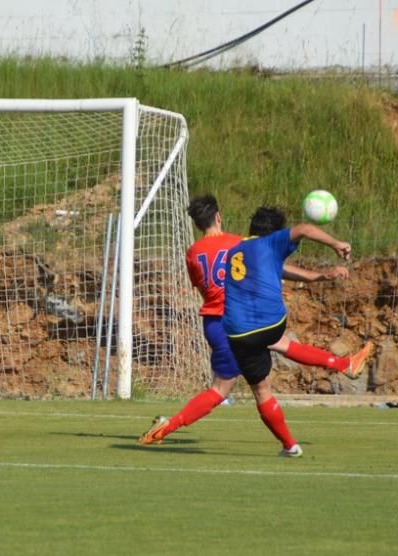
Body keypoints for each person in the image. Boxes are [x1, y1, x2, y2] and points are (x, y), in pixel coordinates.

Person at [139, 195, 371, 449]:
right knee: (223, 389)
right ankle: (167, 427)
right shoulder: (237, 243)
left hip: (216, 323)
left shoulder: (193, 253)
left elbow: (205, 285)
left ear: (197, 224)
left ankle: (344, 365)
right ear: (219, 217)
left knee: (281, 344)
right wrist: (319, 276)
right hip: (236, 319)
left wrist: (319, 276)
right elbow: (274, 266)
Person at [221, 206, 368, 456]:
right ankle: (343, 365)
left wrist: (322, 276)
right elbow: (305, 229)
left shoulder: (236, 251)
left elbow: (283, 270)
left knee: (261, 390)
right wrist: (337, 244)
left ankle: (290, 446)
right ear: (274, 232)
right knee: (275, 339)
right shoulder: (271, 242)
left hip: (238, 332)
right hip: (270, 322)